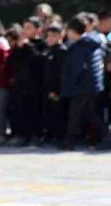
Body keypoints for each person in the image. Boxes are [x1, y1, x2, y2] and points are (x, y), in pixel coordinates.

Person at [60, 16, 108, 150]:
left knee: (75, 114)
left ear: (72, 31)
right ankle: (106, 135)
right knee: (87, 113)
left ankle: (69, 142)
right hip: (92, 83)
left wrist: (68, 86)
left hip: (84, 84)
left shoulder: (80, 46)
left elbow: (77, 68)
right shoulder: (89, 42)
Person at [6, 26, 44, 146]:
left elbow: (39, 60)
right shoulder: (18, 47)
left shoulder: (40, 44)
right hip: (19, 85)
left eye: (28, 28)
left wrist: (28, 46)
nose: (25, 32)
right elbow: (10, 62)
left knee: (34, 112)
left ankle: (35, 136)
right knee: (18, 111)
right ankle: (21, 135)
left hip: (35, 86)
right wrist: (18, 47)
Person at [43, 24, 67, 145]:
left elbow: (60, 74)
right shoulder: (49, 51)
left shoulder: (62, 51)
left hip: (57, 90)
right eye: (48, 36)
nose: (50, 38)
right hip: (48, 89)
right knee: (50, 114)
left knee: (58, 114)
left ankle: (60, 137)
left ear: (61, 35)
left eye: (53, 36)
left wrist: (56, 91)